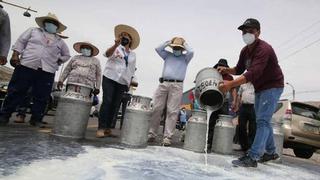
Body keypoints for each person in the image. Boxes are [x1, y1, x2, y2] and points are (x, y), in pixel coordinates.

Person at [218, 18, 284, 167]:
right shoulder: (245, 50)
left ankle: (253, 157)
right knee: (263, 120)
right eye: (244, 32)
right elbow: (240, 69)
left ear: (258, 32)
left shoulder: (264, 49)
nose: (247, 34)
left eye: (251, 31)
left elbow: (253, 73)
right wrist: (227, 70)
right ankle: (271, 152)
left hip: (273, 86)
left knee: (262, 121)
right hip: (260, 87)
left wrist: (230, 85)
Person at [0, 13, 70, 127]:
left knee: (41, 96)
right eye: (49, 22)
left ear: (57, 27)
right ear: (44, 23)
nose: (51, 25)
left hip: (47, 70)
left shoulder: (60, 41)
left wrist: (57, 60)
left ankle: (36, 119)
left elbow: (66, 55)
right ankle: (4, 115)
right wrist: (15, 55)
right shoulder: (33, 31)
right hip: (27, 65)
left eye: (53, 23)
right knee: (16, 90)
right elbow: (20, 42)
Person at [148, 37, 194, 146]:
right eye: (175, 47)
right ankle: (152, 133)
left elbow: (191, 51)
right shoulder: (167, 55)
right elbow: (158, 48)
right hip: (164, 83)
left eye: (179, 48)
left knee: (172, 111)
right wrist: (169, 42)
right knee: (156, 108)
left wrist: (184, 43)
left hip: (177, 84)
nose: (176, 49)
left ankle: (167, 137)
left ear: (182, 49)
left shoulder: (185, 58)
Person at [97, 24, 140, 138]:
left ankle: (108, 128)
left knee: (115, 104)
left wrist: (129, 83)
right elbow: (106, 54)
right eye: (122, 36)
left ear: (130, 40)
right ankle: (101, 127)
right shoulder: (115, 47)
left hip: (122, 81)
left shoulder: (133, 55)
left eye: (126, 36)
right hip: (110, 77)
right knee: (107, 101)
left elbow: (131, 70)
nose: (124, 37)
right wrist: (115, 44)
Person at [207, 59, 237, 151]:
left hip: (224, 102)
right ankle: (209, 143)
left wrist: (234, 100)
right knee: (211, 122)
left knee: (223, 123)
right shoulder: (213, 74)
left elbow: (233, 89)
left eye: (223, 66)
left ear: (226, 68)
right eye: (219, 66)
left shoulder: (230, 77)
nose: (220, 68)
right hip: (214, 101)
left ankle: (220, 144)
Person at [237, 82, 256, 151]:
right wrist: (238, 106)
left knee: (252, 127)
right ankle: (243, 146)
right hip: (243, 106)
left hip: (253, 107)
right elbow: (239, 95)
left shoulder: (256, 84)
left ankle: (250, 146)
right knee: (241, 126)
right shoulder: (243, 84)